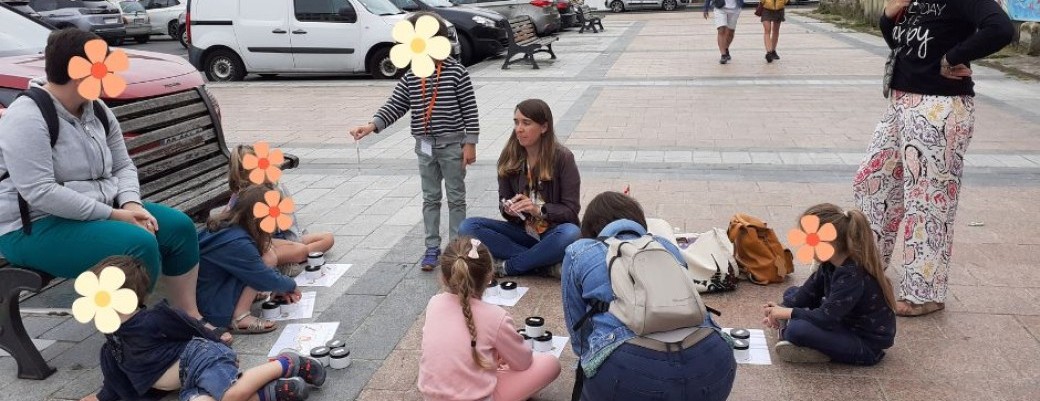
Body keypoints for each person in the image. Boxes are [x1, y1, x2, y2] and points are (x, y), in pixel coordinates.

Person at [0, 28, 219, 337]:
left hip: (97, 210)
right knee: (136, 244)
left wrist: (131, 203)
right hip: (33, 227)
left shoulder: (97, 109)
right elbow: (40, 192)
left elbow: (123, 164)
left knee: (178, 227)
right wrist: (116, 215)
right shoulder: (26, 117)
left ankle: (188, 317)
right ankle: (141, 343)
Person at [853, 0, 1014, 316]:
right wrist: (888, 16)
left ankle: (924, 292)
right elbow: (900, 45)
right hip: (901, 102)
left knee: (927, 201)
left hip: (940, 107)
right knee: (871, 181)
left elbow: (1001, 28)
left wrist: (954, 57)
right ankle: (867, 270)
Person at [562, 192, 736, 401]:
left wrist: (589, 361)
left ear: (590, 227)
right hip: (713, 362)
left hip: (628, 370)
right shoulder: (665, 245)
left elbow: (578, 330)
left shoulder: (580, 251)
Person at [83, 256, 326, 401]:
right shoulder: (111, 344)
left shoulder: (152, 320)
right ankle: (272, 393)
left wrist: (219, 344)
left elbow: (190, 326)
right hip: (188, 380)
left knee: (230, 395)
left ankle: (286, 362)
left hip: (201, 359)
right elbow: (116, 380)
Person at [349, 12, 479, 271]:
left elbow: (470, 110)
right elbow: (395, 105)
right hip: (425, 147)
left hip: (452, 146)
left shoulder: (456, 72)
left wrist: (470, 142)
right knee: (430, 198)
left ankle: (457, 248)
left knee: (456, 198)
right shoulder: (411, 77)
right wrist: (372, 125)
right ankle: (432, 246)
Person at [418, 237, 561, 401]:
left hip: (431, 396)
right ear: (489, 277)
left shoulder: (434, 303)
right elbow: (523, 362)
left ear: (443, 278)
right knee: (550, 363)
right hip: (480, 397)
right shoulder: (496, 316)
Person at [762, 204, 897, 365]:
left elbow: (826, 318)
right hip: (841, 321)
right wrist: (778, 308)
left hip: (865, 345)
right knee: (791, 294)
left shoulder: (851, 274)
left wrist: (786, 313)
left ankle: (818, 349)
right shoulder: (829, 263)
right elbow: (805, 294)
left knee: (796, 330)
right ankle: (804, 337)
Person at [458, 99, 580, 277]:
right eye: (516, 122)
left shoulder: (563, 158)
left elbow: (571, 211)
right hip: (523, 232)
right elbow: (504, 202)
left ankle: (509, 266)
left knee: (572, 233)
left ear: (544, 127)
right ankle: (542, 264)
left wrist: (538, 209)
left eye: (526, 123)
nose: (519, 128)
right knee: (467, 227)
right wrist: (509, 209)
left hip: (553, 232)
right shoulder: (509, 157)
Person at [197, 185, 301, 334]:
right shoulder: (237, 243)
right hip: (214, 309)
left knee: (263, 257)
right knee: (268, 259)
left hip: (210, 293)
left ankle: (239, 302)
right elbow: (262, 276)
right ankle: (240, 317)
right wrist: (290, 285)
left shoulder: (228, 228)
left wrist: (278, 285)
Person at [229, 144, 334, 270]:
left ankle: (292, 256)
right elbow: (259, 240)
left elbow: (289, 223)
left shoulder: (269, 188)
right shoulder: (246, 198)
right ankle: (285, 263)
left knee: (328, 238)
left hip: (278, 238)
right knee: (301, 250)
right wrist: (291, 244)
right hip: (263, 245)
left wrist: (292, 240)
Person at [704, 0, 744, 64]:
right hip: (720, 7)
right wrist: (706, 8)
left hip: (735, 8)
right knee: (721, 30)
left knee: (731, 32)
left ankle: (726, 48)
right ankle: (723, 55)